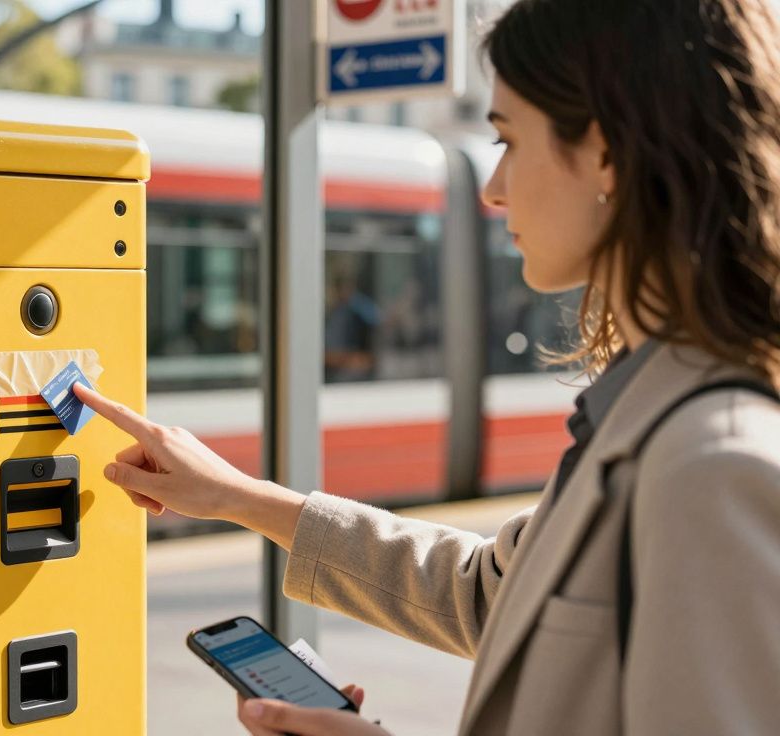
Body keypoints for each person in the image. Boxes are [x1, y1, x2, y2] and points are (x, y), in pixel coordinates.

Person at [72, 1, 780, 733]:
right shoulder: (643, 411)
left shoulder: (714, 466)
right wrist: (241, 498)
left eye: (507, 139)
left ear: (605, 152)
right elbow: (486, 594)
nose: (493, 186)